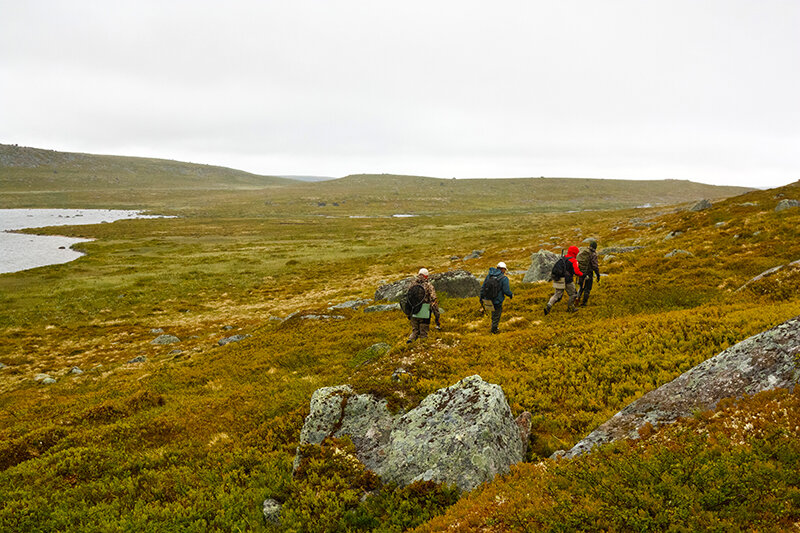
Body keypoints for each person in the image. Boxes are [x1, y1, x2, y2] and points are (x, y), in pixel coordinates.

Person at [544, 246, 583, 315]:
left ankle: (549, 305)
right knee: (573, 294)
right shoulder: (573, 260)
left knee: (557, 294)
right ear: (575, 253)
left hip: (558, 278)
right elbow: (576, 272)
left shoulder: (563, 258)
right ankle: (570, 308)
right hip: (567, 280)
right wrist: (582, 274)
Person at [406, 268, 440, 343]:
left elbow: (408, 298)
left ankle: (409, 343)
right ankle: (423, 348)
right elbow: (433, 301)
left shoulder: (412, 284)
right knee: (423, 333)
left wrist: (409, 314)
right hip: (425, 312)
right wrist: (437, 317)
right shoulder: (428, 285)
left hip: (414, 311)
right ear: (426, 276)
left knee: (415, 331)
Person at [481, 261, 513, 334]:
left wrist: (482, 299)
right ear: (503, 269)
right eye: (505, 269)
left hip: (488, 299)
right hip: (497, 300)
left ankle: (494, 327)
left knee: (493, 314)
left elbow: (483, 287)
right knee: (497, 315)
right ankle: (494, 331)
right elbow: (506, 291)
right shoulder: (504, 278)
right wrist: (511, 295)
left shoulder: (489, 276)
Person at [576, 240, 601, 306]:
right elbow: (595, 266)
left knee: (581, 287)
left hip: (581, 272)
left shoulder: (583, 251)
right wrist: (598, 275)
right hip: (588, 273)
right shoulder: (593, 254)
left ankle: (577, 298)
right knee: (587, 288)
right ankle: (584, 303)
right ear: (595, 247)